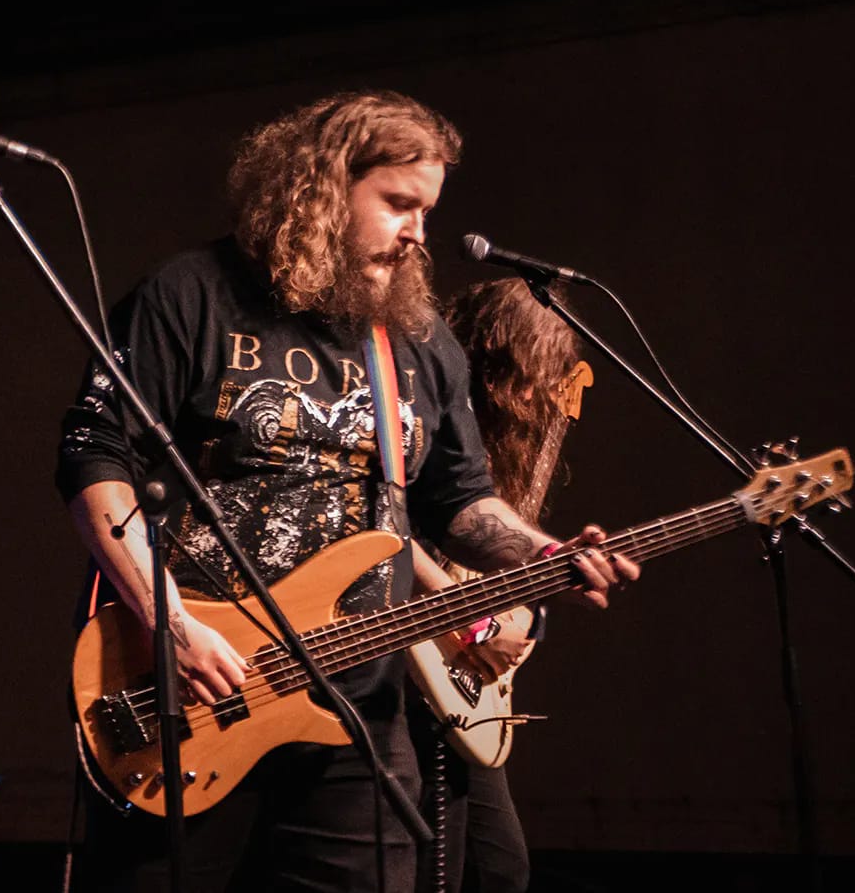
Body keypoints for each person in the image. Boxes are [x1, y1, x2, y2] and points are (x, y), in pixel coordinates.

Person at [55, 90, 637, 893]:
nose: (417, 233)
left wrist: (547, 555)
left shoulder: (418, 342)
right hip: (193, 690)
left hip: (357, 711)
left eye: (427, 210)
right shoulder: (191, 295)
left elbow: (460, 501)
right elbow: (95, 453)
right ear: (321, 186)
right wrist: (169, 624)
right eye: (399, 203)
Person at [408, 278, 593, 893]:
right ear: (494, 355)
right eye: (533, 368)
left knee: (500, 869)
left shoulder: (508, 451)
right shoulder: (428, 403)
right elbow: (380, 525)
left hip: (460, 670)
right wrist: (469, 620)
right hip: (402, 647)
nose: (538, 391)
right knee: (439, 863)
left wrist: (530, 621)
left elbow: (503, 564)